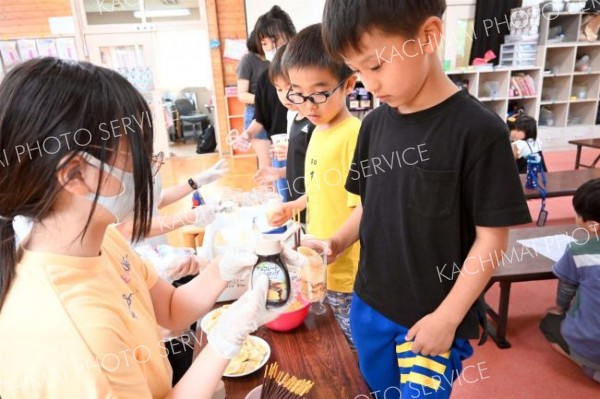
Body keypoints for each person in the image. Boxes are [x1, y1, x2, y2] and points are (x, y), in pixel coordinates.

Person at [0, 57, 299, 398]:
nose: (153, 166)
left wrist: (224, 267)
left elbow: (171, 308)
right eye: (137, 155)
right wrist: (223, 341)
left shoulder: (101, 240)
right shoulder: (71, 333)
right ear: (75, 175)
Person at [318, 1, 532, 396]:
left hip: (431, 319)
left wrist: (448, 319)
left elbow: (492, 241)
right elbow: (370, 205)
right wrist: (336, 242)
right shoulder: (374, 125)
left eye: (376, 65)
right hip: (369, 306)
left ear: (428, 36)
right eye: (357, 70)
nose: (368, 83)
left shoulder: (479, 132)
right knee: (379, 390)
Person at [268, 24, 361, 346]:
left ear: (349, 83)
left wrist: (336, 243)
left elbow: (363, 205)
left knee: (350, 341)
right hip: (320, 259)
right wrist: (296, 205)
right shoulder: (318, 131)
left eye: (319, 93)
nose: (308, 105)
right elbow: (323, 189)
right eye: (298, 93)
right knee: (330, 335)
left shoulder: (352, 134)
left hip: (345, 266)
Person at [540, 178, 600, 384]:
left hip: (593, 348)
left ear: (592, 226)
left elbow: (566, 291)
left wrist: (560, 307)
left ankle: (587, 365)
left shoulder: (578, 252)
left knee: (549, 323)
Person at [254, 44, 316, 217]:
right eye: (279, 89)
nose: (285, 95)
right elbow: (297, 165)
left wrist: (292, 151)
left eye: (290, 87)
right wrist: (279, 172)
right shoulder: (292, 116)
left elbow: (319, 165)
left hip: (313, 203)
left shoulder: (315, 120)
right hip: (295, 201)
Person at [233, 6, 296, 168]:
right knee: (283, 188)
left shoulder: (302, 71)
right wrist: (246, 135)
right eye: (264, 43)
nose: (270, 47)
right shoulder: (265, 79)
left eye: (274, 40)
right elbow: (261, 118)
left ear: (290, 36)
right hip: (278, 147)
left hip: (303, 147)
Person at [236, 30, 269, 138]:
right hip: (255, 112)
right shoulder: (247, 60)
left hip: (272, 111)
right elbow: (242, 95)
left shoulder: (272, 59)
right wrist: (266, 101)